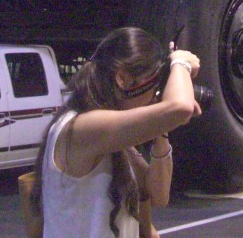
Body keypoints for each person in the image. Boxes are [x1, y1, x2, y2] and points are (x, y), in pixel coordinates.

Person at [31, 27, 201, 238]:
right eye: (154, 85)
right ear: (122, 78)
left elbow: (158, 195)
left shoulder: (110, 135)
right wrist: (181, 62)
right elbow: (181, 108)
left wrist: (161, 128)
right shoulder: (83, 127)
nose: (154, 95)